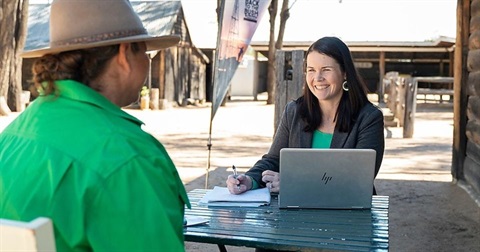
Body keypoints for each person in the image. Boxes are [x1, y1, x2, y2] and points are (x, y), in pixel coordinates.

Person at [0, 0, 189, 251]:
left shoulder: (14, 134)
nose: (147, 61)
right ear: (124, 54)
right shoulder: (127, 157)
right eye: (145, 51)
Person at [227, 36, 385, 197]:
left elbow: (359, 179)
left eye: (326, 69)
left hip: (349, 213)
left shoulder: (369, 118)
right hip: (298, 213)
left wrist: (296, 183)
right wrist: (249, 180)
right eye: (311, 70)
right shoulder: (294, 111)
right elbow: (274, 160)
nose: (317, 78)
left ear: (345, 73)